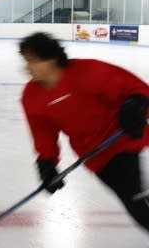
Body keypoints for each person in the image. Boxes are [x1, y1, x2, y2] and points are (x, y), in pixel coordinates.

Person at [19, 32, 149, 231]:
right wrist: (47, 164)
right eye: (26, 61)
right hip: (94, 155)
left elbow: (134, 88)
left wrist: (137, 104)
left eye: (33, 61)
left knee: (135, 199)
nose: (27, 68)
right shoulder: (31, 96)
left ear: (52, 59)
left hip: (122, 138)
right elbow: (43, 133)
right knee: (133, 197)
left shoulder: (89, 72)